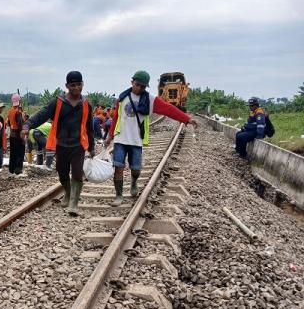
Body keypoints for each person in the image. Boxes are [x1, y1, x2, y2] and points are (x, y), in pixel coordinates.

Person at [106, 71, 197, 206]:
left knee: (135, 169)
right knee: (118, 167)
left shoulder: (150, 100)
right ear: (132, 82)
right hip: (120, 139)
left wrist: (186, 119)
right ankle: (118, 195)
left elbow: (169, 109)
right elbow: (116, 118)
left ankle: (134, 182)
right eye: (138, 85)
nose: (140, 89)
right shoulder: (122, 98)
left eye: (143, 87)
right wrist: (110, 136)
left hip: (136, 140)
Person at [23, 71, 95, 216]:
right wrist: (27, 125)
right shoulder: (58, 102)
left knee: (76, 173)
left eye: (79, 85)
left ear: (82, 84)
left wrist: (92, 147)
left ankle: (74, 203)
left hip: (78, 145)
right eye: (72, 85)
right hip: (61, 145)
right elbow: (42, 114)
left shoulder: (86, 104)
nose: (76, 88)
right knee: (62, 174)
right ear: (67, 86)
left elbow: (90, 128)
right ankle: (68, 193)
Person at [7, 93, 25, 175]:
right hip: (18, 134)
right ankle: (18, 169)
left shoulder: (10, 111)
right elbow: (20, 125)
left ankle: (11, 169)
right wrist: (23, 138)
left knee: (13, 152)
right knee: (20, 152)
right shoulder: (18, 113)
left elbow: (9, 123)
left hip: (12, 135)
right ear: (19, 101)